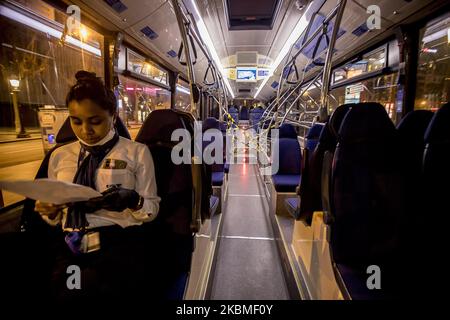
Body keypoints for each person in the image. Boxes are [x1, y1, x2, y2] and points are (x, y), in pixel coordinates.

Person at [34, 70, 160, 301]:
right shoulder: (59, 156)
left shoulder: (136, 152)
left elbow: (150, 210)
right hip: (71, 247)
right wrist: (50, 211)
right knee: (68, 296)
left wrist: (132, 200)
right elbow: (53, 215)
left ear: (113, 115)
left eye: (95, 121)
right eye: (76, 121)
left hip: (118, 244)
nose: (85, 130)